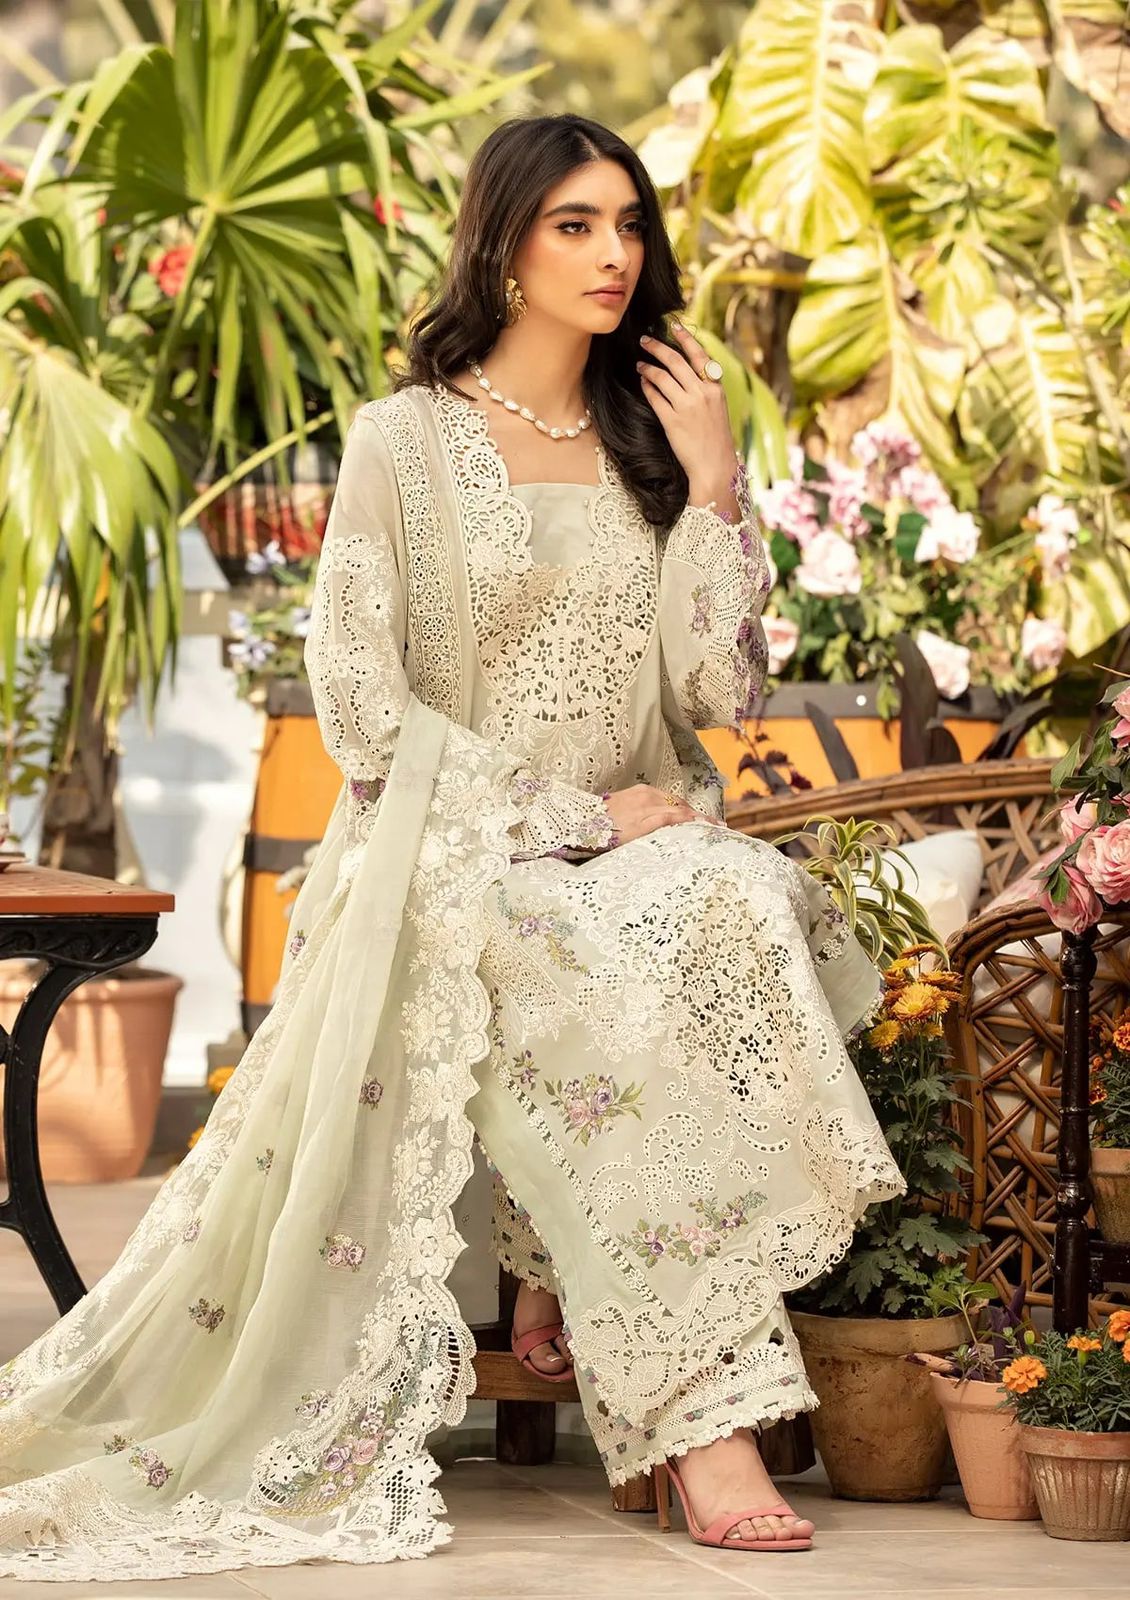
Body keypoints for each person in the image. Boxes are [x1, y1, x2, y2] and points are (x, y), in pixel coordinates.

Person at [0, 113, 903, 1583]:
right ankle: (705, 1424)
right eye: (574, 225)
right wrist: (569, 819)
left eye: (629, 224)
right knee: (575, 952)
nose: (614, 255)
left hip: (638, 840)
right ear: (502, 243)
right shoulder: (403, 444)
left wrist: (714, 487)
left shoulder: (649, 440)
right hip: (453, 848)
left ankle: (561, 1273)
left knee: (734, 898)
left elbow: (715, 695)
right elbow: (364, 714)